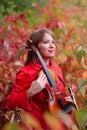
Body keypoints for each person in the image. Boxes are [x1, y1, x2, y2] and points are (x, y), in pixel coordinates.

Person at [6, 28, 73, 129]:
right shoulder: (26, 72)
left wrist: (67, 101)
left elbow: (58, 99)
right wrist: (30, 92)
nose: (52, 46)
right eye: (46, 42)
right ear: (36, 47)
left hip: (59, 125)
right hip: (39, 125)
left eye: (53, 42)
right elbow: (11, 104)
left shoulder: (56, 69)